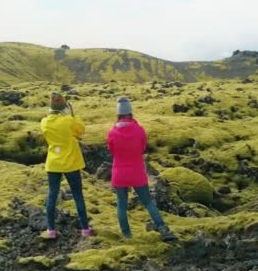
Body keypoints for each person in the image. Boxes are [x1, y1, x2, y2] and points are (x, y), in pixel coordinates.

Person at [107, 96, 177, 242]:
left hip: (119, 173)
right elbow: (143, 148)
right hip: (137, 172)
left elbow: (112, 150)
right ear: (131, 113)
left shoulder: (112, 133)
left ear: (118, 114)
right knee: (148, 202)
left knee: (121, 205)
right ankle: (162, 228)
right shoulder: (139, 131)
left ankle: (127, 235)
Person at [40, 92, 92, 239]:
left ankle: (50, 229)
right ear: (64, 107)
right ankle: (85, 229)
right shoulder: (68, 120)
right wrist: (73, 115)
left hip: (53, 162)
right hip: (71, 163)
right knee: (77, 195)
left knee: (52, 195)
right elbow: (80, 131)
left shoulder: (44, 122)